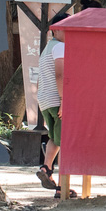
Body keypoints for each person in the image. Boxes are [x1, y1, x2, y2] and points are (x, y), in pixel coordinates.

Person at [35, 26, 65, 195]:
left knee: (55, 137)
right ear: (56, 30)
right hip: (57, 100)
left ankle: (46, 168)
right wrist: (63, 100)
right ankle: (62, 188)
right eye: (66, 29)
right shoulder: (60, 47)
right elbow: (60, 75)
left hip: (44, 100)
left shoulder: (47, 49)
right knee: (66, 142)